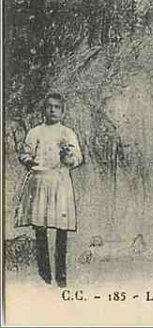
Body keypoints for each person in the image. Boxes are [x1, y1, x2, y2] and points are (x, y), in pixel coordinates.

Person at [15, 92, 83, 287]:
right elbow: (25, 153)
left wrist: (67, 157)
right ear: (43, 110)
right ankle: (44, 274)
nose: (52, 110)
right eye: (49, 106)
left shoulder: (67, 133)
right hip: (40, 182)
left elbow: (77, 158)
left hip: (60, 182)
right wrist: (29, 161)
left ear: (62, 111)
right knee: (40, 227)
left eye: (57, 107)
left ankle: (61, 276)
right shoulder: (35, 132)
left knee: (61, 228)